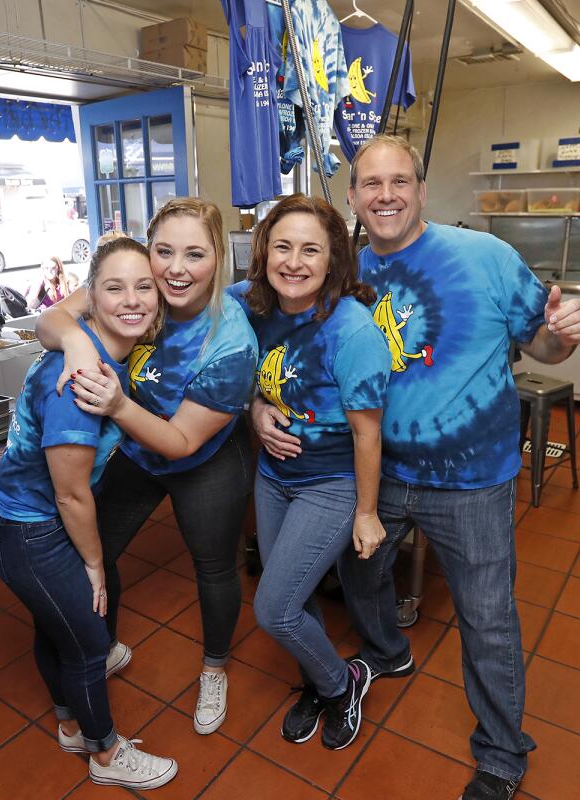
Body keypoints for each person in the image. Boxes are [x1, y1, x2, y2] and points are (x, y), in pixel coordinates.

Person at [253, 135, 580, 800]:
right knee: (359, 577)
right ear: (352, 196)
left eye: (399, 181)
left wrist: (565, 331)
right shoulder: (339, 273)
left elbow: (546, 345)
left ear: (420, 188)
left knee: (488, 619)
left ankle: (500, 753)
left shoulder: (486, 257)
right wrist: (257, 408)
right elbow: (289, 354)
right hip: (372, 474)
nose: (385, 195)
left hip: (472, 482)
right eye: (370, 183)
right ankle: (385, 652)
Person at [35, 198, 258, 736]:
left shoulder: (231, 343)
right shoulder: (136, 287)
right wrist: (73, 342)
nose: (176, 269)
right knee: (97, 551)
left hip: (203, 459)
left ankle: (214, 667)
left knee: (215, 567)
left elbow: (181, 441)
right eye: (164, 251)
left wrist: (117, 406)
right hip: (136, 455)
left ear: (218, 260)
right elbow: (51, 317)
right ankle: (103, 645)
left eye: (195, 254)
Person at [0, 236, 177, 790]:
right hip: (32, 531)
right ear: (90, 297)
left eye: (145, 287)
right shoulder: (80, 381)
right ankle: (106, 755)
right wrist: (95, 563)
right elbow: (71, 495)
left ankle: (70, 724)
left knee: (60, 627)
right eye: (115, 288)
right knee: (92, 642)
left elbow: (53, 322)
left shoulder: (93, 343)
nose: (133, 300)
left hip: (23, 523)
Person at [226, 194, 388, 750]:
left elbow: (368, 431)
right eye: (283, 246)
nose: (294, 262)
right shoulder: (249, 304)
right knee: (296, 597)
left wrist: (366, 513)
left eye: (311, 250)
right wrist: (253, 406)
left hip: (331, 484)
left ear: (333, 261)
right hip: (273, 479)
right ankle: (320, 681)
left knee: (272, 608)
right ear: (263, 251)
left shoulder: (352, 330)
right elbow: (182, 292)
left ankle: (345, 684)